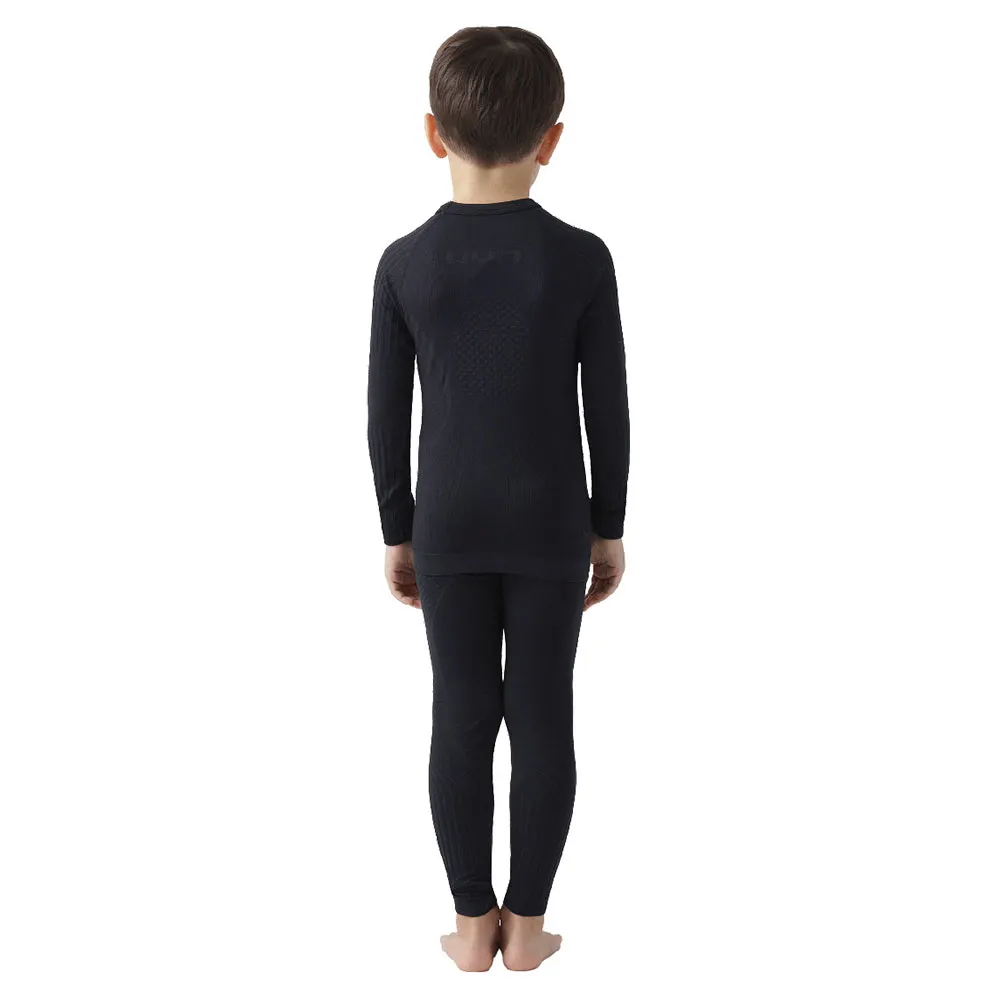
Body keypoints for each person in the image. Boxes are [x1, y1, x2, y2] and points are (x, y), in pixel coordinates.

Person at [367, 25, 630, 972]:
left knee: (461, 713)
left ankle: (471, 924)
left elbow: (385, 413)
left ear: (432, 132)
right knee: (543, 713)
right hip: (552, 521)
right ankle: (529, 927)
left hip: (449, 521)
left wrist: (398, 530)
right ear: (551, 140)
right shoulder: (582, 258)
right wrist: (609, 528)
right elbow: (608, 408)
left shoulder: (404, 262)